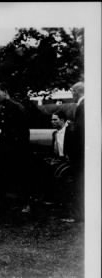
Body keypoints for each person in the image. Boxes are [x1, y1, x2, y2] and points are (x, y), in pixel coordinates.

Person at [0, 82, 31, 213]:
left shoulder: (17, 107)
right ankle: (2, 203)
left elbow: (24, 131)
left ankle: (26, 203)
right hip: (4, 147)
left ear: (5, 92)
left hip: (17, 148)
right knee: (1, 174)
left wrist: (21, 149)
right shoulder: (0, 108)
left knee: (21, 176)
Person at [62, 81, 84, 222]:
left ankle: (78, 214)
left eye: (72, 92)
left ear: (77, 91)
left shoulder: (82, 106)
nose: (72, 95)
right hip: (82, 152)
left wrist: (72, 127)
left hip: (79, 153)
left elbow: (81, 131)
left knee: (78, 183)